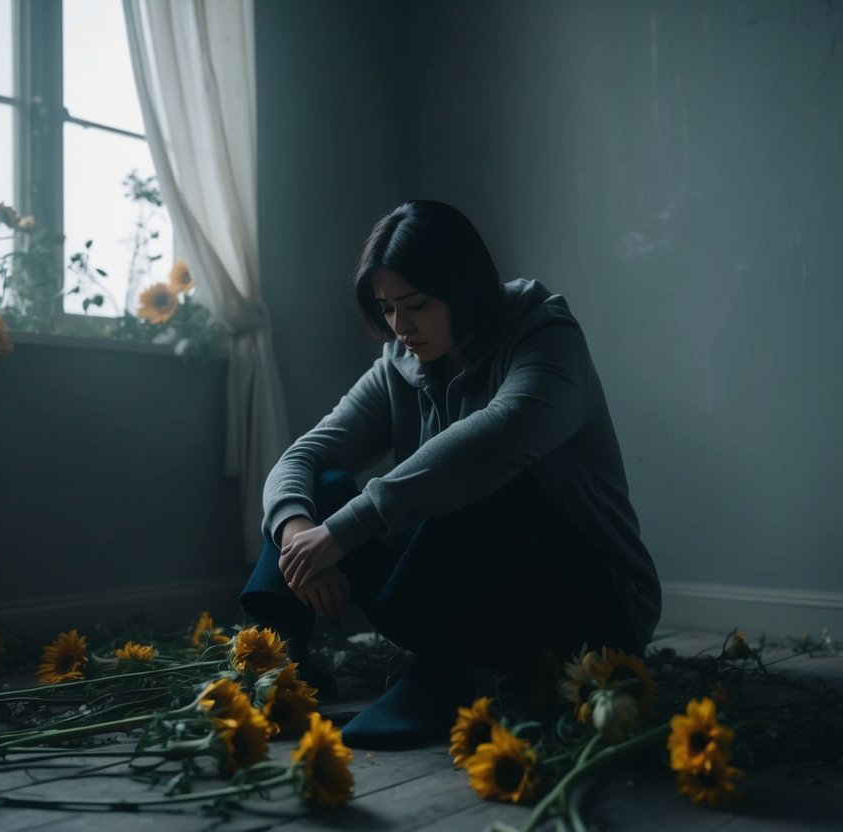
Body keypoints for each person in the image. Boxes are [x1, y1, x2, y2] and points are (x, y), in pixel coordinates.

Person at [239, 199, 661, 750]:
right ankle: (281, 655)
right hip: (452, 595)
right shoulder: (402, 361)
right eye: (387, 308)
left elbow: (492, 440)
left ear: (462, 289)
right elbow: (304, 455)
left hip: (590, 608)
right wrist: (300, 537)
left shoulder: (547, 340)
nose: (400, 327)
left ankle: (445, 674)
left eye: (415, 304)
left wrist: (344, 531)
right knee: (319, 489)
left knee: (483, 484)